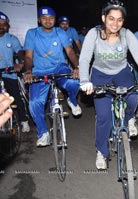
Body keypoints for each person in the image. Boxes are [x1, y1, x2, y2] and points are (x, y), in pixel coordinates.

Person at [79, 0, 138, 170]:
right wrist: (85, 80)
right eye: (111, 18)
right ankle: (101, 151)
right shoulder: (93, 34)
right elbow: (85, 59)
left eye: (119, 20)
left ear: (123, 21)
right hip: (100, 74)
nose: (115, 23)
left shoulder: (126, 34)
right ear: (103, 18)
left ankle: (129, 120)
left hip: (121, 72)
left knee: (133, 96)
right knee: (104, 117)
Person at [23, 6, 82, 147]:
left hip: (59, 68)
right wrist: (28, 71)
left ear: (55, 20)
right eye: (44, 18)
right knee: (35, 103)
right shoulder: (32, 33)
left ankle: (72, 101)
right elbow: (28, 56)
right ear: (39, 20)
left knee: (74, 82)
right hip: (39, 71)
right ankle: (43, 133)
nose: (48, 20)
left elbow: (70, 51)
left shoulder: (59, 32)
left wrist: (77, 67)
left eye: (51, 18)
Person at [0, 11, 30, 132]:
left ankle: (24, 120)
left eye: (4, 24)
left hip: (9, 72)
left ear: (7, 26)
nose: (1, 26)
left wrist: (20, 63)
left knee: (17, 97)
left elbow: (20, 52)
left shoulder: (12, 39)